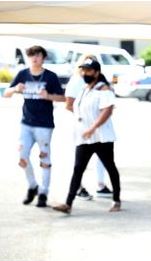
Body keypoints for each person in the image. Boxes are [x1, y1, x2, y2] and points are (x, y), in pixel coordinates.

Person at [52, 58, 121, 214]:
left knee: (110, 167)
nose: (85, 73)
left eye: (89, 70)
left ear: (96, 72)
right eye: (83, 70)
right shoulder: (85, 88)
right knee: (78, 169)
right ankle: (68, 204)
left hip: (101, 137)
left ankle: (116, 200)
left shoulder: (104, 89)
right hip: (84, 137)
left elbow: (107, 111)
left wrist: (93, 127)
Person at [3, 45, 65, 208]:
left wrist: (48, 96)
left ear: (43, 57)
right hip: (26, 123)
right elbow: (5, 94)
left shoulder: (50, 76)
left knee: (44, 158)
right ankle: (33, 186)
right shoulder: (23, 74)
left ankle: (43, 192)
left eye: (37, 55)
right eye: (31, 56)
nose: (34, 58)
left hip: (44, 125)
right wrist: (15, 89)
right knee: (22, 157)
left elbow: (63, 98)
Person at [65, 54, 113, 200]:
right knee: (80, 162)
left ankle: (100, 184)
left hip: (98, 127)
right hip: (82, 127)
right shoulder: (76, 81)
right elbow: (68, 104)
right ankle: (79, 188)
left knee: (102, 158)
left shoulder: (100, 82)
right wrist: (86, 117)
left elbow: (107, 105)